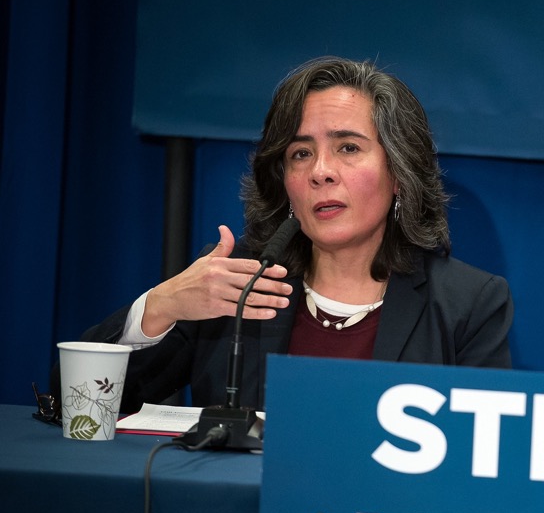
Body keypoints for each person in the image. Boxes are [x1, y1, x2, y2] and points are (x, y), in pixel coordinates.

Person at [73, 56, 513, 412]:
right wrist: (162, 306)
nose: (320, 171)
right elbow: (79, 404)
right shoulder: (234, 282)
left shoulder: (467, 304)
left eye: (348, 148)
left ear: (399, 173)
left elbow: (486, 459)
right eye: (301, 153)